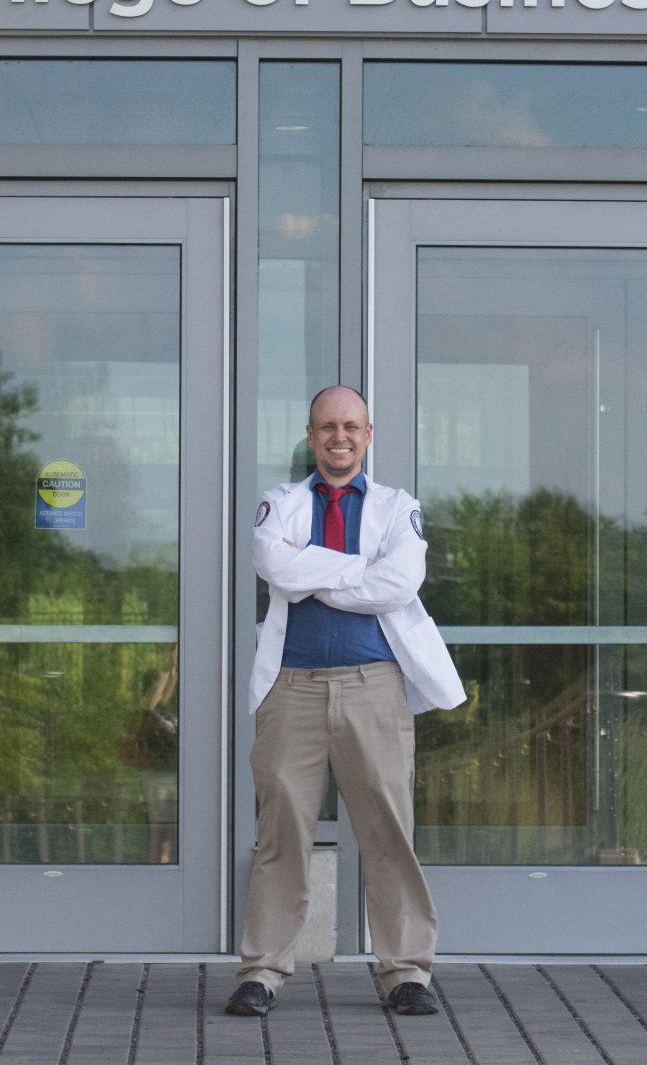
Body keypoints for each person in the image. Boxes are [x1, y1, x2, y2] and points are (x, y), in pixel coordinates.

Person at [226, 386, 464, 1019]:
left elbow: (400, 583)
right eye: (328, 426)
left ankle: (406, 972)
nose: (340, 436)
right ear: (311, 435)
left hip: (374, 687)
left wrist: (315, 573)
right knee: (281, 833)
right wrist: (355, 571)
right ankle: (263, 972)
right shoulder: (280, 502)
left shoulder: (397, 506)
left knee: (389, 832)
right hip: (291, 689)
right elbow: (273, 566)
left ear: (368, 433)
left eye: (351, 426)